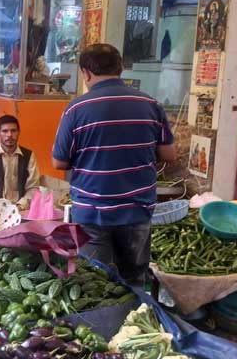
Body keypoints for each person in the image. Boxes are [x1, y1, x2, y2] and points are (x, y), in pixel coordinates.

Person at [52, 43, 176, 287]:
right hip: (136, 210)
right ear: (120, 69)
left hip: (92, 212)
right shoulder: (151, 105)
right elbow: (169, 154)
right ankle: (135, 320)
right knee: (134, 282)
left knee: (93, 283)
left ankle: (101, 323)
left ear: (86, 73)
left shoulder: (77, 109)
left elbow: (59, 161)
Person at [0, 115, 40, 210]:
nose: (9, 135)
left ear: (18, 132)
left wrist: (20, 206)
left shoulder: (29, 156)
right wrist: (2, 208)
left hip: (22, 210)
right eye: (5, 131)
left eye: (13, 131)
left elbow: (33, 188)